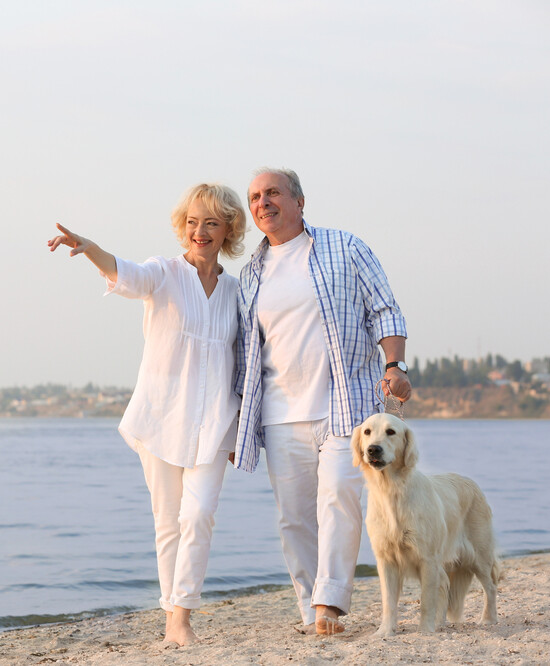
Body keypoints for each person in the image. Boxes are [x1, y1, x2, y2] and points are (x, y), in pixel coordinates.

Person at [48, 183, 247, 646]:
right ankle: (175, 621)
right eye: (193, 222)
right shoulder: (164, 273)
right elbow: (127, 274)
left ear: (228, 230)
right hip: (161, 418)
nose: (200, 231)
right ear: (184, 227)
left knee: (198, 516)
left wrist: (243, 430)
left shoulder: (237, 290)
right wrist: (90, 248)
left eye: (212, 223)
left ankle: (182, 615)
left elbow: (245, 360)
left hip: (217, 422)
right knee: (168, 522)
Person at [234, 168, 411, 635]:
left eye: (273, 193)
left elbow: (385, 308)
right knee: (293, 518)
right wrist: (238, 424)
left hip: (345, 405)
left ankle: (329, 605)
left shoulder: (345, 247)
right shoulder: (250, 273)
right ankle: (310, 607)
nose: (262, 203)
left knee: (338, 499)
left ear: (299, 201)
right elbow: (244, 353)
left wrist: (395, 366)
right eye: (254, 197)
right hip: (278, 412)